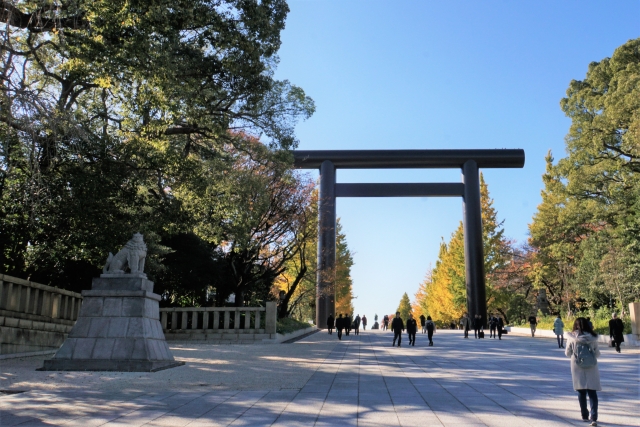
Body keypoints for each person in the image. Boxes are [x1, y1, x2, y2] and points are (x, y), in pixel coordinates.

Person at [565, 317, 601, 426]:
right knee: (592, 392)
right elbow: (597, 354)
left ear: (575, 325)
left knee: (581, 391)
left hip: (577, 366)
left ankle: (584, 415)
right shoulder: (593, 338)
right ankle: (593, 417)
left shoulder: (572, 338)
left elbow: (567, 353)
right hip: (591, 366)